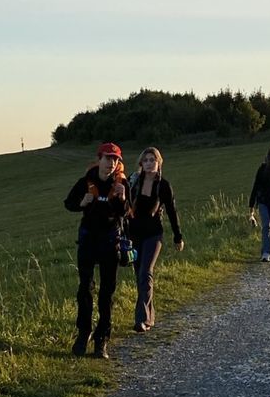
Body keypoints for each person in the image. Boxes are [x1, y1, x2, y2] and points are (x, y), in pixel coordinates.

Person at [63, 142, 130, 359]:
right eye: (108, 158)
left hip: (111, 241)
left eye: (115, 159)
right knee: (85, 288)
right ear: (99, 159)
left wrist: (121, 199)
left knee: (106, 293)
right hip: (88, 240)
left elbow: (126, 212)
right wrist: (82, 202)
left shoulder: (121, 184)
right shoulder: (86, 181)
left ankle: (102, 340)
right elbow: (69, 203)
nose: (111, 163)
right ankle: (84, 333)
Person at [128, 147, 183, 333]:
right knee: (139, 276)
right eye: (146, 160)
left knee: (145, 272)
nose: (150, 163)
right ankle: (149, 316)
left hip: (154, 234)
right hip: (133, 234)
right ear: (141, 164)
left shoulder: (164, 185)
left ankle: (141, 319)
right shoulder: (133, 182)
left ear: (159, 163)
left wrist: (178, 236)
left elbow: (172, 211)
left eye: (153, 160)